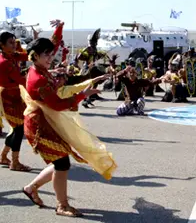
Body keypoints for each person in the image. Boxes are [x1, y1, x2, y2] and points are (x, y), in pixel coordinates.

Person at [21, 38, 116, 217]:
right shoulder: (39, 78)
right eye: (46, 54)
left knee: (61, 162)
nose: (50, 57)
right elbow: (57, 104)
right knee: (62, 163)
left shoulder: (41, 71)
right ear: (34, 56)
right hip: (40, 125)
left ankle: (31, 188)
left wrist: (88, 82)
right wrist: (82, 94)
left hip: (47, 121)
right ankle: (62, 205)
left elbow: (59, 91)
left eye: (51, 54)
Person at [0, 31, 31, 171]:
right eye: (10, 43)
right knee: (18, 130)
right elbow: (21, 80)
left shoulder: (11, 56)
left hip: (15, 96)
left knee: (15, 129)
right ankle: (15, 162)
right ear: (2, 45)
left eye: (14, 42)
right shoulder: (5, 62)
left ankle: (3, 156)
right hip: (8, 98)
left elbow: (29, 55)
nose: (14, 45)